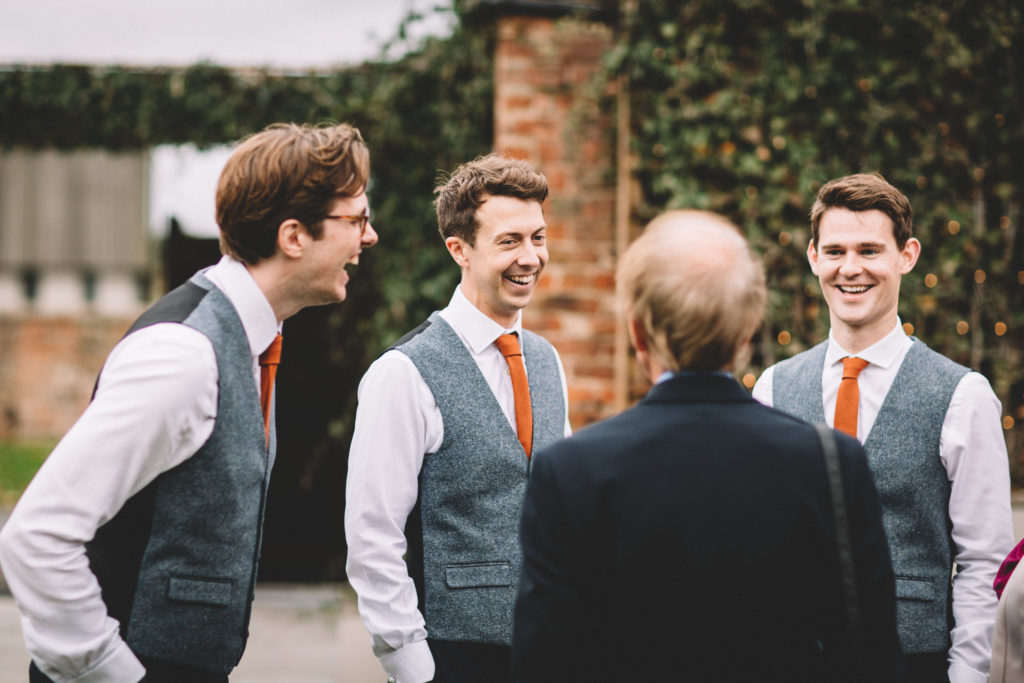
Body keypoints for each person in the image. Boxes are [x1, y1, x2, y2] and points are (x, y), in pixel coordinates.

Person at [0, 122, 378, 683]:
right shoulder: (184, 354)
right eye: (356, 220)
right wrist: (114, 673)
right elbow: (37, 536)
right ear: (294, 236)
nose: (368, 238)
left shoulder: (251, 340)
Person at [511, 210, 903, 682]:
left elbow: (545, 662)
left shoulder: (570, 470)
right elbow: (870, 656)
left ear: (638, 332)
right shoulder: (831, 463)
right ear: (748, 330)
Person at [753, 173, 1014, 683]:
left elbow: (986, 565)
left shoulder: (962, 395)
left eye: (870, 250)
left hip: (913, 665)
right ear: (813, 257)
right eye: (835, 252)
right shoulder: (771, 389)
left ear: (907, 256)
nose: (850, 269)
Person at [344, 154, 570, 683]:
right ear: (459, 250)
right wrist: (410, 663)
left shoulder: (547, 359)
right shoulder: (403, 372)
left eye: (537, 237)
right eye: (509, 241)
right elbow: (372, 534)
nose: (531, 257)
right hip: (452, 654)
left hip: (546, 645)